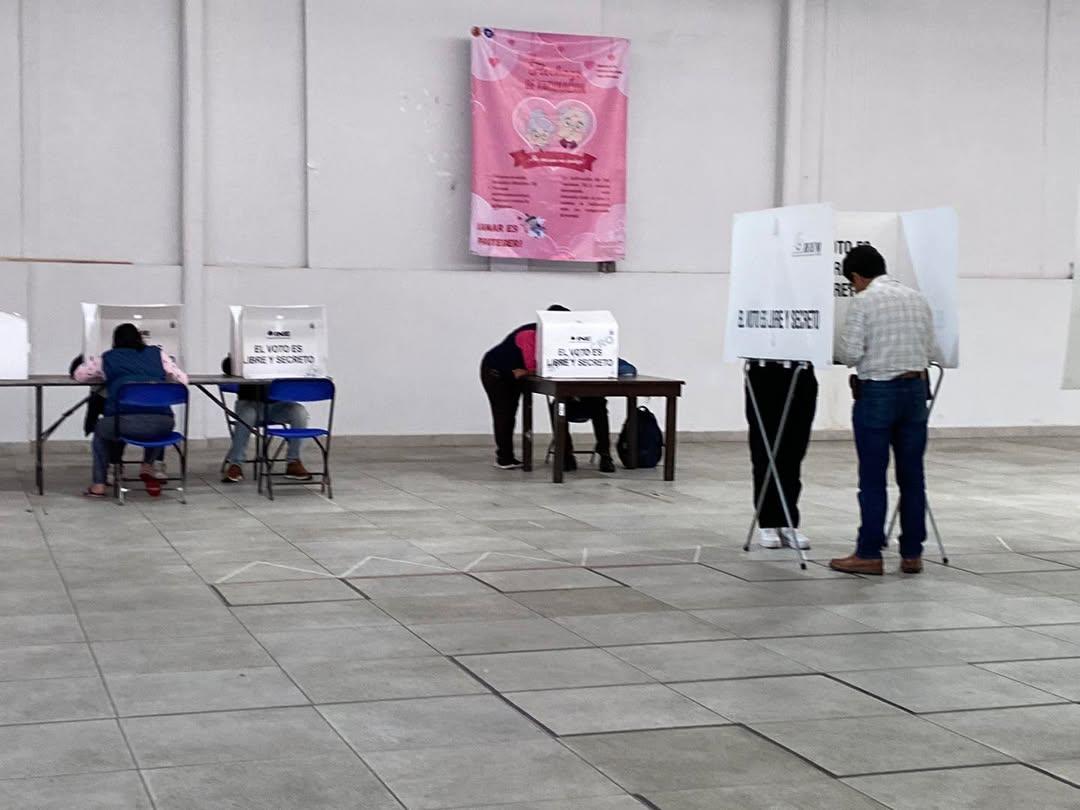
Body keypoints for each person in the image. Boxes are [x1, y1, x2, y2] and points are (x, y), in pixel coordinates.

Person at [831, 245, 936, 575]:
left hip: (877, 392)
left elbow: (850, 353)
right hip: (915, 391)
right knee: (913, 477)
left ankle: (869, 553)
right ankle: (912, 554)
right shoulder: (917, 298)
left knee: (873, 477)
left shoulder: (864, 302)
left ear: (856, 276)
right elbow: (929, 347)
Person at [481, 305, 616, 473]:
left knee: (596, 404)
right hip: (497, 372)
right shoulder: (529, 334)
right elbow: (535, 366)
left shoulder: (563, 337)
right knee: (505, 413)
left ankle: (596, 455)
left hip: (519, 373)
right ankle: (504, 458)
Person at [73, 323, 188, 498]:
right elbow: (183, 379)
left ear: (115, 340)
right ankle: (148, 466)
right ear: (139, 338)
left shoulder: (107, 358)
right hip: (164, 424)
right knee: (153, 421)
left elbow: (79, 375)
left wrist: (105, 375)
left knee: (101, 430)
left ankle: (99, 484)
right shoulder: (158, 354)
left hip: (124, 424)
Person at [745, 360, 817, 550]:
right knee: (765, 450)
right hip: (764, 372)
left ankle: (788, 521)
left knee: (794, 451)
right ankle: (767, 521)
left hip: (801, 372)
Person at [220, 355, 312, 483]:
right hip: (249, 403)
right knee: (247, 414)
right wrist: (238, 358)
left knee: (299, 411)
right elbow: (227, 367)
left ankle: (293, 461)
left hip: (277, 405)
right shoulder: (246, 350)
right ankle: (236, 464)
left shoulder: (284, 353)